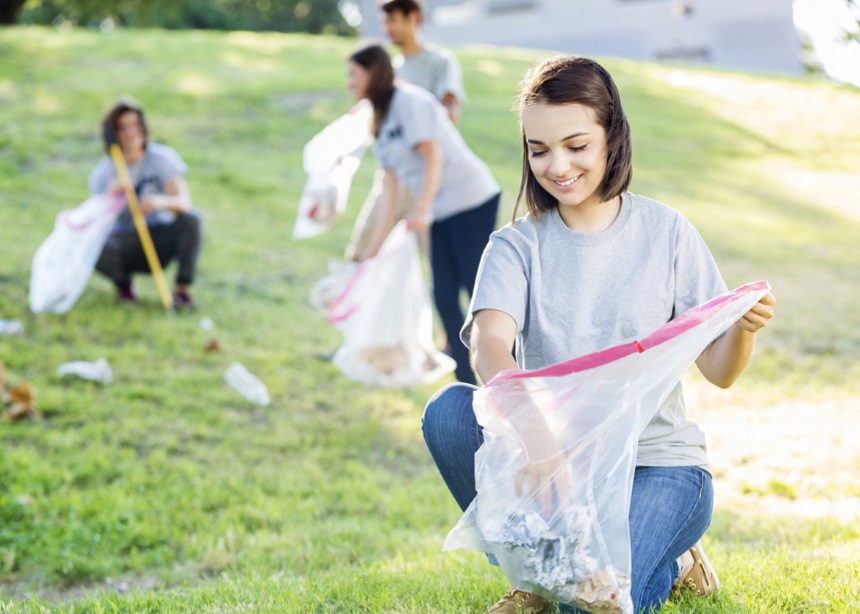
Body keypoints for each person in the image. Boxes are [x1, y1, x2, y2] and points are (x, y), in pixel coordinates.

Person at [421, 56, 776, 614]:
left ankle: (672, 559)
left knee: (593, 601)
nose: (556, 165)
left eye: (575, 145)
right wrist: (539, 437)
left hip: (656, 467)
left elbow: (720, 372)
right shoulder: (516, 246)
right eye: (538, 150)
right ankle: (536, 574)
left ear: (612, 137)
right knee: (448, 411)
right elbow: (489, 344)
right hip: (552, 461)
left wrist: (744, 332)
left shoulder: (667, 233)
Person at [347, 44, 501, 386]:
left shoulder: (408, 102)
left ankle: (508, 377)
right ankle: (467, 383)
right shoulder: (380, 119)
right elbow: (391, 189)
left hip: (471, 200)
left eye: (353, 74)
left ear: (373, 73)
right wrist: (373, 252)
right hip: (441, 210)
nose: (349, 83)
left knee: (478, 296)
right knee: (443, 296)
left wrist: (421, 209)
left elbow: (433, 156)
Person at [344, 0, 465, 262]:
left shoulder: (439, 62)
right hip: (391, 178)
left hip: (427, 181)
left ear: (412, 17)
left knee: (440, 266)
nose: (387, 29)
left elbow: (449, 115)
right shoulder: (387, 69)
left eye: (392, 21)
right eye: (383, 23)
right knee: (361, 255)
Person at [89, 98, 202, 307]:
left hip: (159, 236)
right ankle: (124, 286)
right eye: (122, 128)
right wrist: (112, 197)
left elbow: (184, 202)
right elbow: (97, 221)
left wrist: (159, 202)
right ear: (113, 134)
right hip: (124, 241)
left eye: (134, 125)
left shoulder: (162, 158)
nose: (130, 133)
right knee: (91, 243)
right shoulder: (103, 173)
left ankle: (182, 292)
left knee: (192, 220)